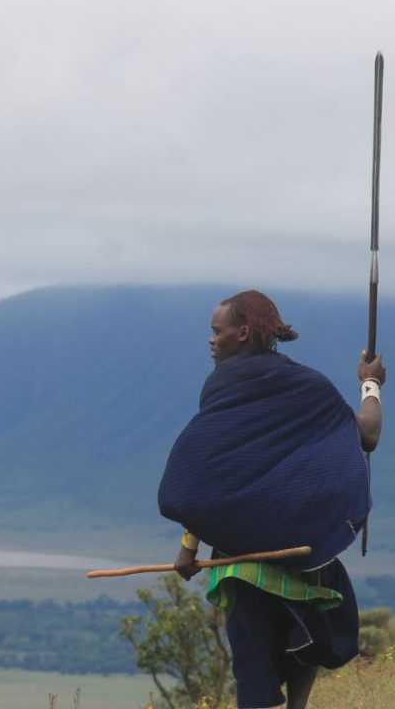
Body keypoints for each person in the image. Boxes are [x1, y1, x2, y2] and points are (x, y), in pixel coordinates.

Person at [157, 290, 385, 709]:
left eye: (216, 331)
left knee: (255, 669)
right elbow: (367, 433)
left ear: (242, 333)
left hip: (243, 561)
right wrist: (369, 384)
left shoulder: (223, 386)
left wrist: (188, 547)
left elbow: (209, 481)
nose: (211, 340)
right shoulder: (306, 383)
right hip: (304, 550)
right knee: (304, 640)